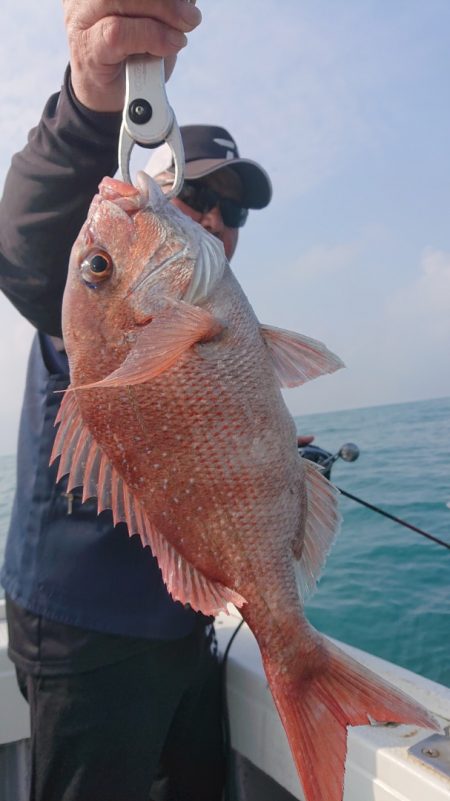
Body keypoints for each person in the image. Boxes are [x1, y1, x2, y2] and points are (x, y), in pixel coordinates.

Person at [0, 2, 274, 800]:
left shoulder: (219, 310)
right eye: (199, 195)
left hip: (184, 619)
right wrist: (95, 95)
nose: (218, 220)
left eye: (236, 210)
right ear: (151, 186)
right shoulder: (103, 274)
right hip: (89, 628)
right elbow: (28, 239)